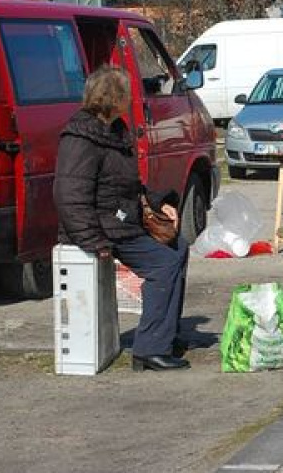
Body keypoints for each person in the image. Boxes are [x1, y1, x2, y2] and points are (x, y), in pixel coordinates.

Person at [54, 66, 190, 372]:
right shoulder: (80, 138)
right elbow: (69, 196)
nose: (132, 99)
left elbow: (127, 187)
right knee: (163, 264)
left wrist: (159, 204)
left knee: (177, 248)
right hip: (102, 228)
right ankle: (149, 349)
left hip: (120, 221)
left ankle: (166, 334)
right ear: (114, 98)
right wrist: (94, 242)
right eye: (127, 94)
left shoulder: (114, 131)